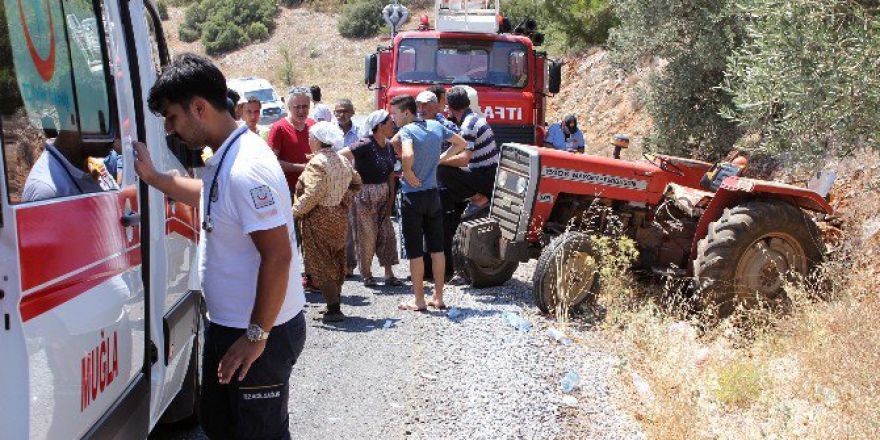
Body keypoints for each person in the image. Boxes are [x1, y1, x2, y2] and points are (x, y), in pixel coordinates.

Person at [132, 53, 306, 440]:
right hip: (234, 326)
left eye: (173, 118)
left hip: (262, 333)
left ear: (199, 108)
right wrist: (155, 178)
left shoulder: (246, 168)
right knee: (222, 425)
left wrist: (256, 337)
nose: (172, 131)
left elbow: (277, 256)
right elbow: (207, 194)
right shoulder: (228, 157)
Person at [390, 95, 467, 312]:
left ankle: (419, 300)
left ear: (406, 113)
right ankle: (438, 297)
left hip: (412, 197)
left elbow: (407, 153)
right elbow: (461, 143)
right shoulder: (435, 125)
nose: (393, 118)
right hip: (433, 195)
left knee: (415, 251)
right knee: (437, 248)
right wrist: (440, 158)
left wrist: (407, 172)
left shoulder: (407, 131)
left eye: (395, 113)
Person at [292, 122, 362, 322]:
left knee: (322, 263)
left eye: (310, 138)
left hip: (319, 217)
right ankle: (334, 304)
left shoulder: (318, 163)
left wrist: (294, 213)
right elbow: (357, 182)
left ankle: (333, 309)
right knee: (336, 259)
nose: (309, 141)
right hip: (338, 215)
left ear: (317, 140)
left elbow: (314, 193)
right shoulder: (341, 159)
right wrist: (343, 198)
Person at [437, 86, 500, 279]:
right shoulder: (472, 119)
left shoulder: (469, 125)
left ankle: (478, 198)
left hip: (485, 175)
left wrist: (438, 161)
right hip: (482, 171)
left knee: (443, 171)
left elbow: (464, 158)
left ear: (451, 107)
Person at [339, 110, 402, 288]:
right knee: (365, 236)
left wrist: (390, 198)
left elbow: (390, 173)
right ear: (379, 126)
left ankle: (389, 274)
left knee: (387, 234)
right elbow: (341, 155)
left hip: (383, 194)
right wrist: (353, 180)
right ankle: (367, 274)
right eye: (389, 122)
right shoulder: (365, 144)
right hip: (363, 196)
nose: (393, 125)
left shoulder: (388, 146)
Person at [267, 87, 315, 196]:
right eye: (297, 107)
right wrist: (302, 167)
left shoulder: (313, 125)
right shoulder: (279, 128)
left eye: (305, 106)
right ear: (289, 107)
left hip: (312, 188)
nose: (301, 111)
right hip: (288, 190)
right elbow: (272, 162)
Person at [335, 99, 360, 277]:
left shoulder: (359, 133)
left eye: (345, 111)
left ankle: (349, 264)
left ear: (352, 112)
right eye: (338, 111)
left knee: (351, 225)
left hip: (352, 183)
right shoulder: (329, 132)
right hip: (333, 183)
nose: (341, 115)